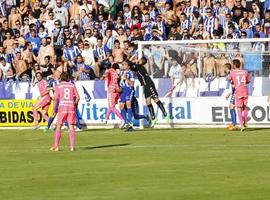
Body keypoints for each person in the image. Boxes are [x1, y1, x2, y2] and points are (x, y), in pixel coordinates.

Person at [130, 57, 170, 127]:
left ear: (141, 61)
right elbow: (131, 66)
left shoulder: (139, 66)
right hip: (145, 86)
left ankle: (165, 114)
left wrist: (132, 60)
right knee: (148, 102)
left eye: (139, 59)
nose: (138, 60)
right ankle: (154, 118)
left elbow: (131, 66)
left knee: (156, 99)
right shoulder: (139, 67)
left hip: (149, 84)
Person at [50, 72, 80, 151]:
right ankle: (72, 146)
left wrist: (53, 109)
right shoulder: (72, 85)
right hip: (71, 107)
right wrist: (75, 105)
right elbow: (78, 97)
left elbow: (55, 99)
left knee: (59, 126)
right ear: (68, 78)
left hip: (62, 107)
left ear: (60, 78)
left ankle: (56, 146)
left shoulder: (58, 86)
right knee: (71, 126)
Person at [227, 59, 250, 131]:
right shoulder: (245, 72)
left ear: (234, 65)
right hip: (245, 90)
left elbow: (228, 79)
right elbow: (248, 81)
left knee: (239, 108)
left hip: (238, 91)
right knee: (245, 107)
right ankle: (245, 122)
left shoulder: (232, 73)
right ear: (240, 64)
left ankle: (241, 125)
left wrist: (233, 81)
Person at [119, 60, 135, 131]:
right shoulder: (121, 72)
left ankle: (131, 123)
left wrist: (126, 79)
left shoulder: (131, 73)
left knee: (128, 105)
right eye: (123, 64)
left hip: (129, 90)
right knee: (121, 106)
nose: (123, 65)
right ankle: (126, 121)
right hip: (123, 90)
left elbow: (132, 84)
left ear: (128, 66)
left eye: (125, 64)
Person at [224, 63, 237, 130]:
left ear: (226, 68)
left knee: (231, 107)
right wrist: (229, 94)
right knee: (231, 107)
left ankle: (234, 124)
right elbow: (233, 86)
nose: (223, 69)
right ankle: (233, 123)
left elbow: (235, 84)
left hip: (236, 92)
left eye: (224, 68)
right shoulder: (230, 74)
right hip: (234, 92)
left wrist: (235, 92)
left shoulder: (231, 74)